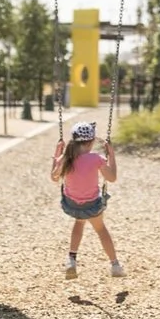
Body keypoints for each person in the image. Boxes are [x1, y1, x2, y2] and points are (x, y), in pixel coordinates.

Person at [50, 119, 123, 280]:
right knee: (101, 229)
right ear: (91, 141)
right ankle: (115, 265)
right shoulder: (96, 159)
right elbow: (112, 178)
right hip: (92, 205)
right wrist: (111, 154)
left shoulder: (66, 158)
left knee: (79, 221)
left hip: (71, 204)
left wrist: (57, 154)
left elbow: (54, 177)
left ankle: (71, 259)